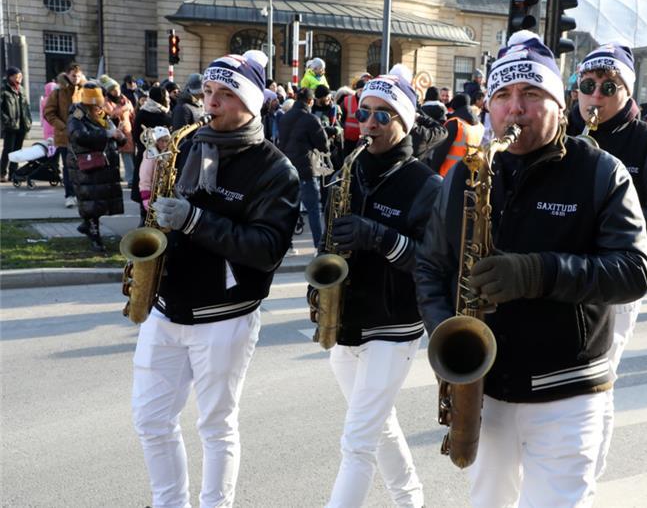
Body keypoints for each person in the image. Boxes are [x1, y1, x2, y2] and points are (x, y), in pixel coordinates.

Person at [415, 30, 647, 507]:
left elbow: (634, 269)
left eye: (531, 94)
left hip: (569, 391)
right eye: (501, 95)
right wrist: (449, 331)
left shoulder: (602, 171)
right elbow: (431, 264)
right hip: (485, 387)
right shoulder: (468, 170)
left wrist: (537, 272)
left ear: (559, 104)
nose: (514, 109)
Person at [131, 49, 300, 508]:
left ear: (251, 103)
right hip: (166, 308)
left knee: (216, 425)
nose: (211, 102)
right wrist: (149, 175)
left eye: (226, 94)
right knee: (150, 420)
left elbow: (266, 250)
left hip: (223, 316)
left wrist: (192, 220)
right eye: (208, 91)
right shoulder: (188, 144)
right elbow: (152, 203)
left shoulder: (275, 169)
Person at [315, 69, 441, 508]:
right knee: (376, 423)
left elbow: (432, 263)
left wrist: (382, 238)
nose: (369, 123)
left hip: (393, 325)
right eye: (364, 112)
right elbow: (328, 242)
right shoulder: (347, 171)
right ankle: (410, 498)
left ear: (404, 122)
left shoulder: (427, 185)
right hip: (346, 319)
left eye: (383, 116)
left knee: (357, 440)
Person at [567, 42, 647, 478]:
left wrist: (608, 218)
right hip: (567, 270)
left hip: (617, 277)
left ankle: (588, 478)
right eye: (587, 85)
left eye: (608, 87)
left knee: (599, 379)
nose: (595, 96)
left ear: (626, 92)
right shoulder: (563, 133)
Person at [66, 83, 126, 251]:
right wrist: (107, 134)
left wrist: (120, 137)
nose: (99, 105)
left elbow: (115, 135)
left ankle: (87, 226)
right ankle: (95, 237)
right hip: (87, 165)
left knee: (97, 201)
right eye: (96, 103)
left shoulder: (103, 115)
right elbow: (78, 135)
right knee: (92, 203)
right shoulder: (77, 115)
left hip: (103, 165)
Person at [277, 86, 330, 249]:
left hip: (287, 170)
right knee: (314, 210)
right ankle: (318, 247)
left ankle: (288, 245)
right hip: (306, 170)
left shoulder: (284, 118)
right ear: (310, 101)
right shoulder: (311, 119)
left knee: (289, 210)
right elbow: (323, 146)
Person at [44, 63, 85, 208]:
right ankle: (69, 195)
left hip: (81, 135)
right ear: (67, 74)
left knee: (82, 166)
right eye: (74, 75)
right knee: (68, 167)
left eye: (79, 75)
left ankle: (80, 194)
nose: (76, 78)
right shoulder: (58, 91)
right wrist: (63, 126)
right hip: (64, 136)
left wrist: (81, 120)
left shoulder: (84, 89)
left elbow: (88, 110)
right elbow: (49, 113)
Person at [131, 86, 173, 225]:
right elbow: (137, 135)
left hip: (162, 155)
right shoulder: (147, 114)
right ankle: (145, 216)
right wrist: (151, 145)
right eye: (166, 97)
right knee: (147, 183)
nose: (168, 99)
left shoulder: (154, 112)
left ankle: (149, 217)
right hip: (148, 156)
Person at [426, 92, 482, 176]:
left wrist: (433, 172)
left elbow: (440, 152)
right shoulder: (479, 125)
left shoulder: (455, 123)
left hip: (448, 175)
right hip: (468, 175)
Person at [99, 75, 136, 186]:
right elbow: (112, 113)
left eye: (117, 88)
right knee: (114, 156)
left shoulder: (125, 99)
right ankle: (116, 177)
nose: (116, 91)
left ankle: (131, 179)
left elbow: (132, 112)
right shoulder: (105, 101)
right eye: (113, 90)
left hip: (127, 130)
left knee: (128, 155)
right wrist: (125, 108)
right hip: (113, 131)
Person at [1, 67, 32, 182]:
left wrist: (28, 121)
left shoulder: (22, 89)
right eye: (16, 76)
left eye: (20, 76)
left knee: (18, 151)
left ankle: (13, 173)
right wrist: (6, 121)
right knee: (8, 150)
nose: (19, 78)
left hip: (22, 125)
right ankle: (2, 173)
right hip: (10, 125)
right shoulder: (3, 89)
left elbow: (26, 106)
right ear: (10, 76)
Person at [137, 125, 172, 211]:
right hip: (152, 194)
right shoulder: (151, 155)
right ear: (156, 141)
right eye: (161, 141)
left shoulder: (167, 154)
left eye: (166, 141)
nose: (164, 144)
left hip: (163, 193)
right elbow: (145, 176)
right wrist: (146, 197)